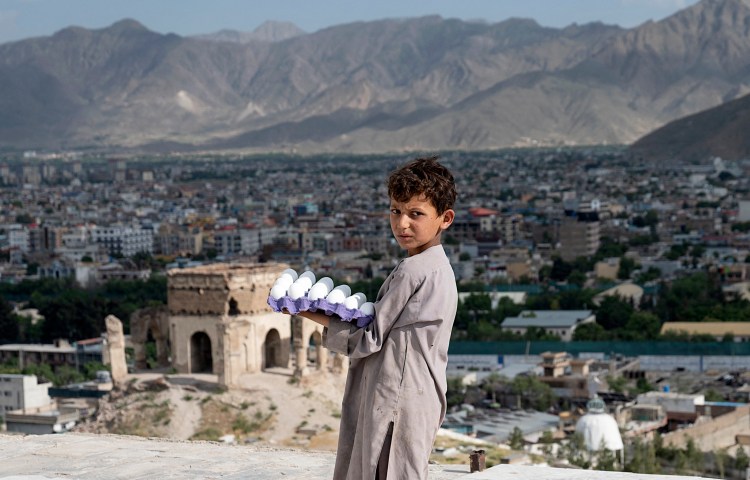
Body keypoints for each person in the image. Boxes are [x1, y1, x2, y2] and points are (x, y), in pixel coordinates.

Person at [293, 156, 458, 479]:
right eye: (396, 211)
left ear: (445, 218)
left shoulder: (413, 271)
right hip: (420, 395)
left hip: (396, 397)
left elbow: (368, 339)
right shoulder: (440, 268)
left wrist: (306, 311)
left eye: (416, 214)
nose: (402, 224)